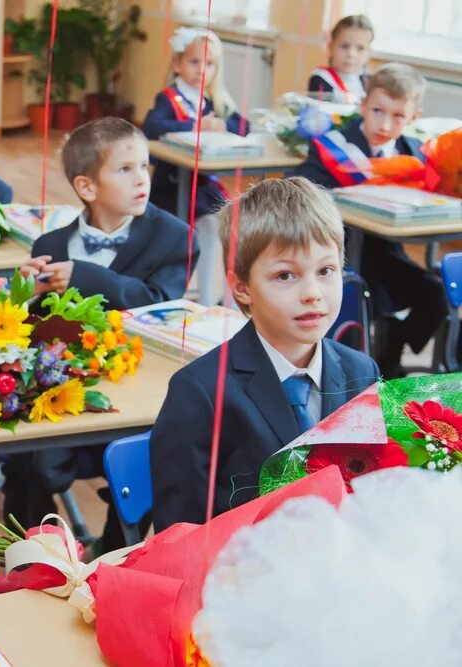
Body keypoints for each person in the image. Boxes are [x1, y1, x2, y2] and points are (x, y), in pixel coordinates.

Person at [149, 177, 379, 531]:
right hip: (236, 576)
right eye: (286, 275)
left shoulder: (361, 372)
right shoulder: (199, 393)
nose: (312, 293)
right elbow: (179, 533)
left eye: (325, 271)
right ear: (241, 288)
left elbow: (371, 493)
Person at [3, 117, 193, 532]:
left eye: (144, 166)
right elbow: (28, 327)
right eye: (125, 169)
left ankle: (114, 550)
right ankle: (33, 554)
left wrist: (87, 277)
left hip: (139, 393)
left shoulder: (174, 236)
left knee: (138, 471)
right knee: (26, 460)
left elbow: (161, 303)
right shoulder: (49, 246)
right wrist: (22, 292)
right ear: (87, 188)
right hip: (65, 394)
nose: (142, 178)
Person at [295, 63, 442, 378]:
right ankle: (353, 372)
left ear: (414, 117)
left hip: (386, 254)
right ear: (363, 104)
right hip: (341, 253)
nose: (385, 124)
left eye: (398, 116)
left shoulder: (413, 153)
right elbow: (302, 191)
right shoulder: (332, 145)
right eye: (377, 110)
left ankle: (394, 344)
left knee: (435, 293)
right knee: (362, 301)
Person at [142, 27, 247, 306]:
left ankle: (223, 298)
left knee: (226, 225)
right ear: (177, 64)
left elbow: (244, 125)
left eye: (209, 64)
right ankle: (202, 297)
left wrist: (223, 124)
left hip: (202, 188)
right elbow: (152, 126)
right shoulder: (169, 98)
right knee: (201, 230)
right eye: (194, 62)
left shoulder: (214, 101)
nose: (202, 70)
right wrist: (194, 125)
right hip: (172, 186)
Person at [308, 15, 374, 103]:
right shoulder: (321, 78)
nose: (351, 54)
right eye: (344, 46)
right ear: (331, 47)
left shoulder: (369, 81)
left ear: (369, 53)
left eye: (360, 48)